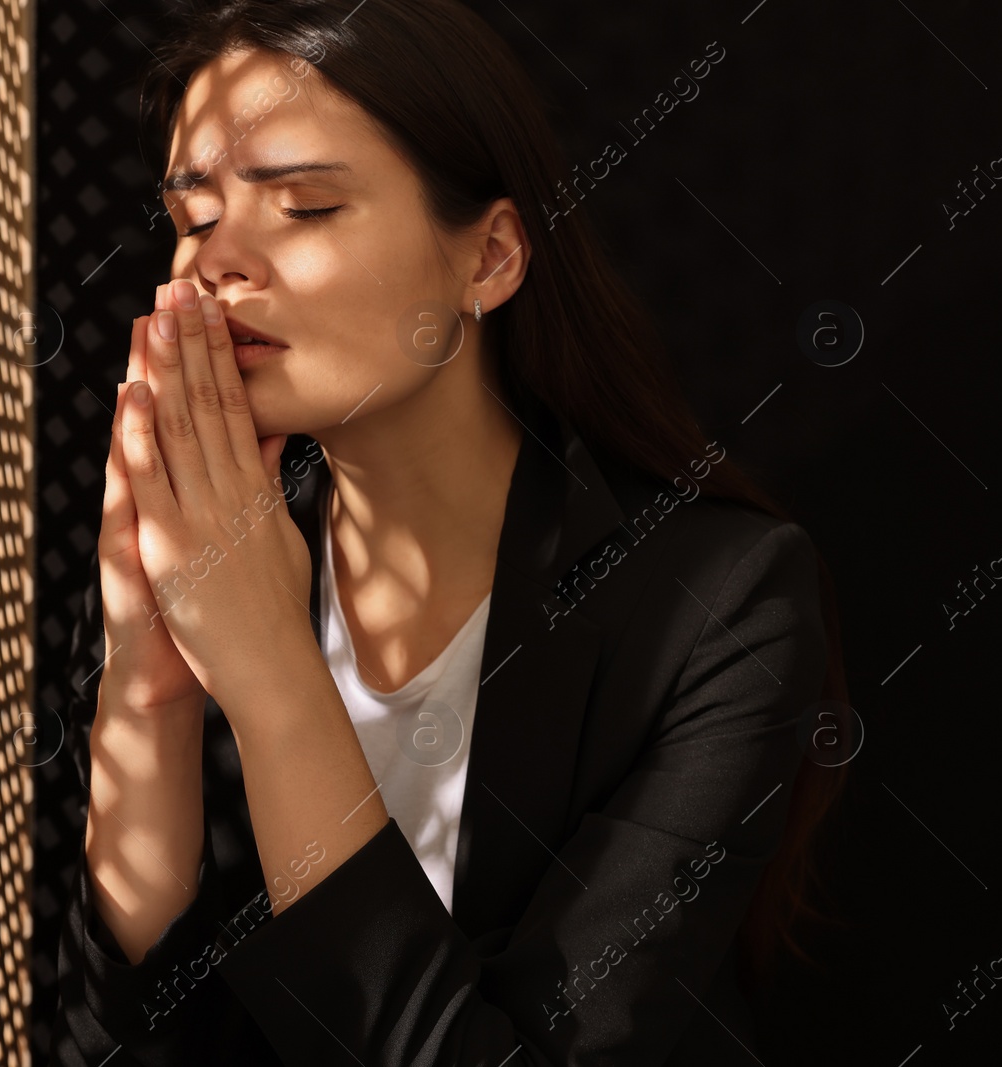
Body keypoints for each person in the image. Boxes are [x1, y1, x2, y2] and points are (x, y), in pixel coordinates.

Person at [51, 1, 850, 1063]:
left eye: (303, 205)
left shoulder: (721, 606)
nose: (216, 262)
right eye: (194, 219)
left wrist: (273, 673)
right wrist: (147, 699)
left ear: (488, 260)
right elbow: (122, 1048)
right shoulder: (194, 561)